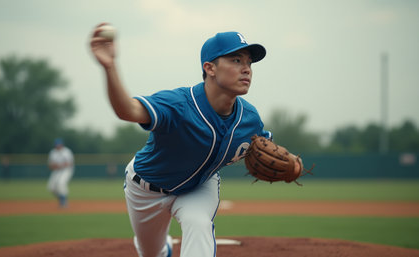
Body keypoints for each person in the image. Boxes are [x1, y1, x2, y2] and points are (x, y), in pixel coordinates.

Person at [90, 23, 301, 257]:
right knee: (153, 253)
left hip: (200, 187)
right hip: (146, 189)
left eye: (249, 63)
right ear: (209, 68)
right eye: (236, 60)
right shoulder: (178, 105)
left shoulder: (249, 119)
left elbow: (269, 149)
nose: (247, 69)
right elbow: (127, 110)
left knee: (198, 223)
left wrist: (295, 165)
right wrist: (109, 67)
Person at [47, 138, 74, 208]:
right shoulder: (52, 152)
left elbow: (70, 163)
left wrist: (60, 165)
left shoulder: (67, 151)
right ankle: (62, 198)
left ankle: (63, 201)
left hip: (66, 170)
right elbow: (50, 165)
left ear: (62, 145)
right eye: (57, 145)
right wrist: (56, 166)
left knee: (61, 183)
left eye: (59, 144)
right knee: (51, 188)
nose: (58, 146)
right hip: (56, 171)